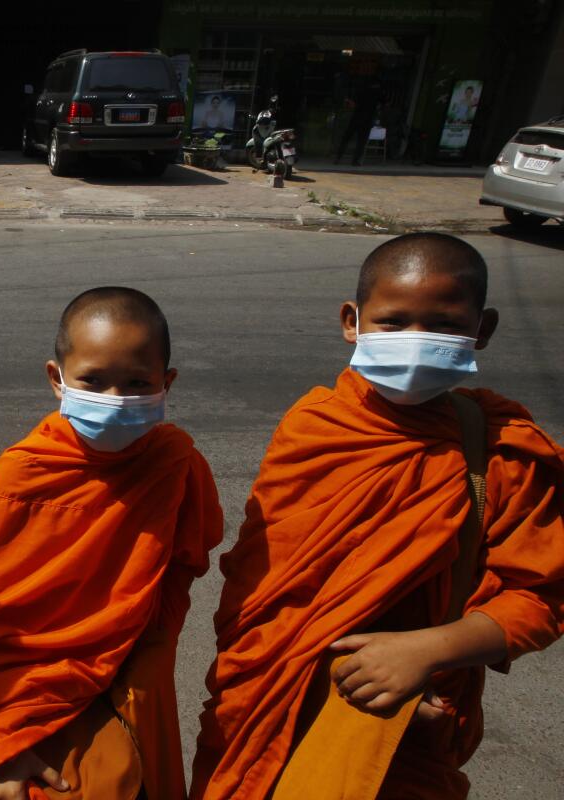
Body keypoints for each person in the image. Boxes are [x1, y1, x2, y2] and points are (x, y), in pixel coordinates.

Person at [191, 233, 564, 799]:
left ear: (482, 329)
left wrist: (429, 653)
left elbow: (542, 597)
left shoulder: (499, 450)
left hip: (409, 732)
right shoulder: (314, 427)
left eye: (442, 325)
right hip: (266, 711)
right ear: (352, 320)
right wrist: (306, 682)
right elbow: (257, 595)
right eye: (393, 321)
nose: (416, 342)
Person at [0, 287, 224, 800]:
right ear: (57, 378)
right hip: (26, 708)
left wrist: (143, 651)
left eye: (137, 383)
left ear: (167, 383)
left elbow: (185, 567)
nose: (116, 400)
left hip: (137, 689)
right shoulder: (26, 471)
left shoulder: (177, 464)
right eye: (94, 381)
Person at [335, 80, 382, 166]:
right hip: (366, 120)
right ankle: (354, 160)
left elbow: (353, 104)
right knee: (360, 142)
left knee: (347, 138)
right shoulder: (376, 95)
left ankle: (338, 157)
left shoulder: (361, 92)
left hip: (356, 118)